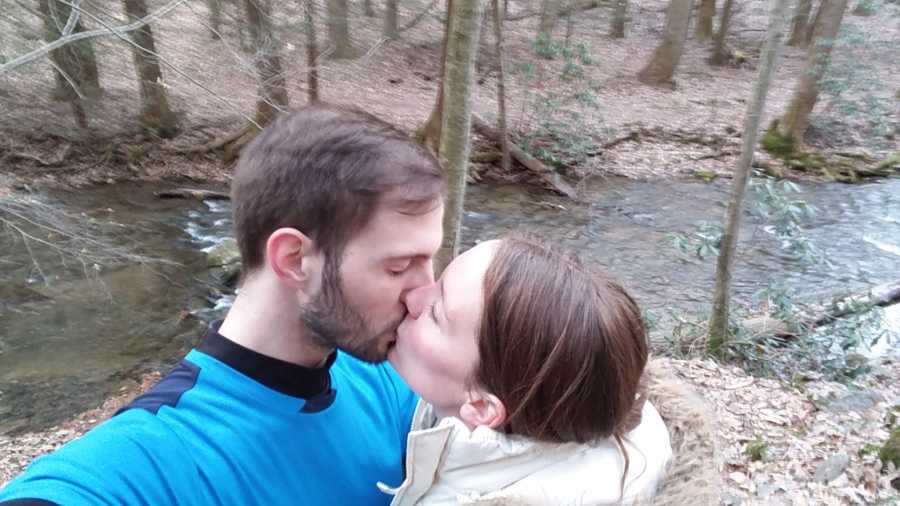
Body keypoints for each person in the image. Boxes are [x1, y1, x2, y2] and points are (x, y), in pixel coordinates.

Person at [0, 104, 446, 505]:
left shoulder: (390, 379)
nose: (424, 293)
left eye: (430, 260)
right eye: (400, 266)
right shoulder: (155, 457)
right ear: (293, 260)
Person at [381, 235, 672, 505]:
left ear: (481, 406)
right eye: (439, 282)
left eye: (436, 314)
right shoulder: (620, 420)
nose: (412, 297)